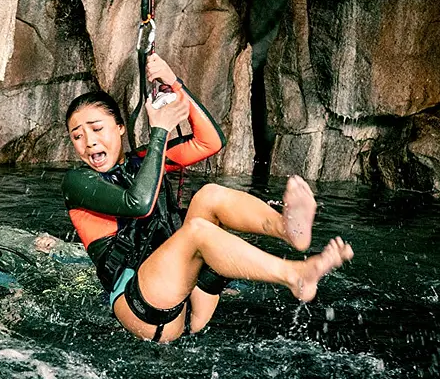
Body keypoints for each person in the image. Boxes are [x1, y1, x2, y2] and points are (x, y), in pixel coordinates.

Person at [62, 52, 354, 343]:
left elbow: (210, 142)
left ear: (120, 127)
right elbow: (138, 204)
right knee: (198, 231)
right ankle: (293, 275)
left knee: (209, 195)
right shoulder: (76, 182)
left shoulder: (143, 159)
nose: (89, 142)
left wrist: (173, 82)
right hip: (143, 308)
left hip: (192, 298)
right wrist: (160, 130)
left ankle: (287, 228)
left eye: (97, 129)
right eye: (77, 136)